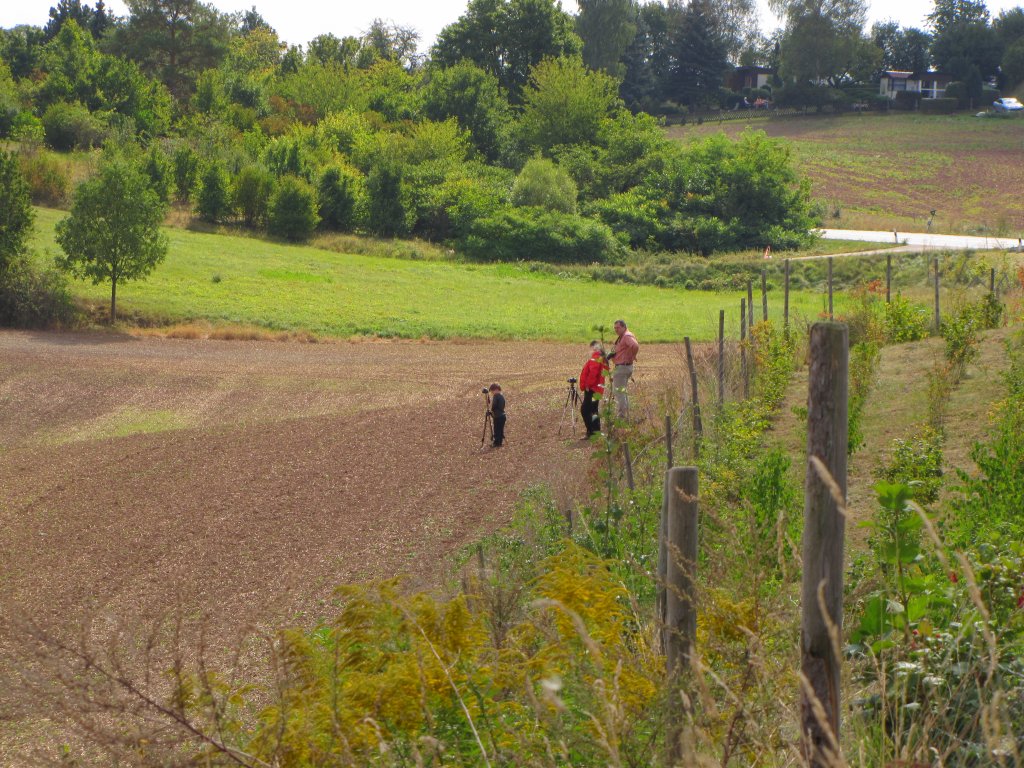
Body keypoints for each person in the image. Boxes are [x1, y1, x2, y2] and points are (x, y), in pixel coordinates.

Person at [608, 319, 639, 418]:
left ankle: (621, 418)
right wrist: (608, 356)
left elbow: (634, 345)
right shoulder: (621, 337)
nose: (616, 330)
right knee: (623, 393)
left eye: (618, 328)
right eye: (615, 328)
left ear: (624, 327)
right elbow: (616, 349)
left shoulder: (626, 336)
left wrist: (632, 355)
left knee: (619, 393)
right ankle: (626, 417)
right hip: (624, 367)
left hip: (622, 368)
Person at [578, 340, 608, 437]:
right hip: (598, 389)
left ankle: (591, 431)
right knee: (594, 410)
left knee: (585, 410)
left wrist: (587, 385)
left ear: (594, 348)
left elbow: (593, 374)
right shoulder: (602, 358)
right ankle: (596, 431)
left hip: (592, 389)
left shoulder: (596, 358)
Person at [488, 383, 506, 447]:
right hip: (503, 416)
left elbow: (494, 406)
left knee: (497, 430)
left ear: (496, 389)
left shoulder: (496, 396)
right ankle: (499, 443)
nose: (492, 393)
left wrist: (491, 411)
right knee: (500, 430)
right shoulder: (502, 396)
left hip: (498, 416)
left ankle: (496, 443)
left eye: (492, 391)